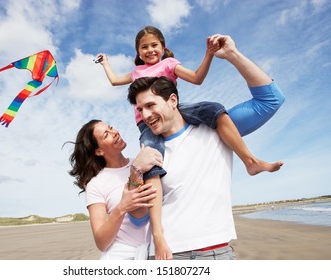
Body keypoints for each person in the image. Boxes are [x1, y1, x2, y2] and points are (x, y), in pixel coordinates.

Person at [96, 26, 283, 259]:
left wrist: (230, 55)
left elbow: (271, 100)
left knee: (214, 108)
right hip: (164, 255)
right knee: (151, 168)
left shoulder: (216, 129)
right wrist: (135, 171)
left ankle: (251, 161)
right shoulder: (148, 152)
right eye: (139, 108)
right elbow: (138, 216)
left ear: (173, 99)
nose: (145, 115)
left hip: (217, 253)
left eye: (152, 105)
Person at [67, 120, 163, 259]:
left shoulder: (141, 162)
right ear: (99, 151)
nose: (115, 133)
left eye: (111, 127)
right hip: (122, 257)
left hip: (157, 250)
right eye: (106, 135)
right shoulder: (96, 184)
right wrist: (121, 208)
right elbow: (101, 242)